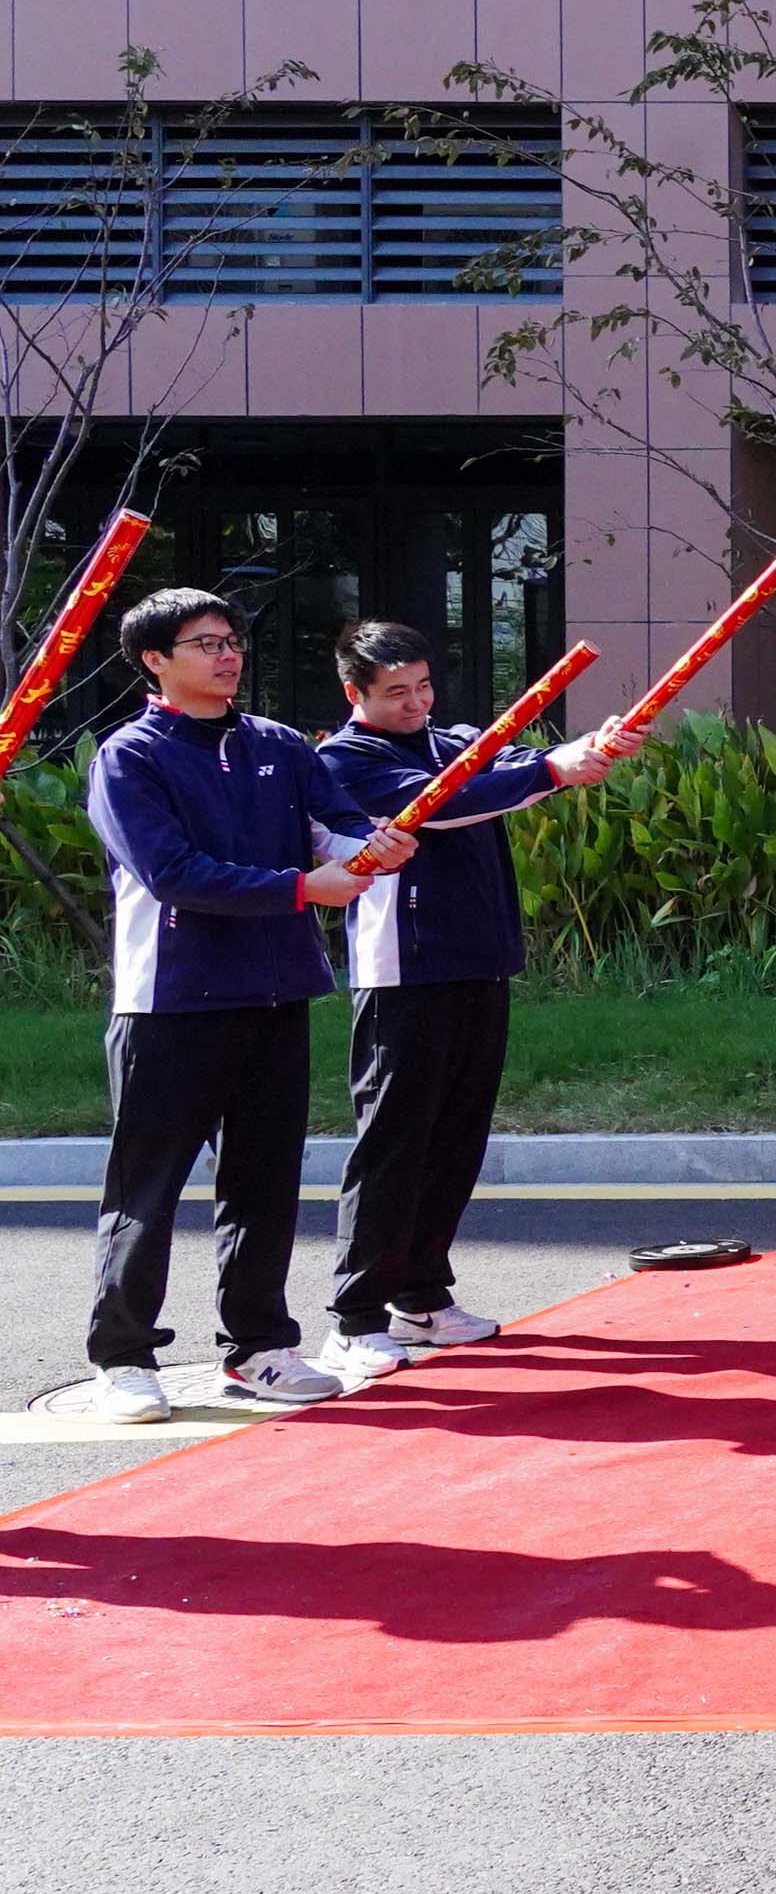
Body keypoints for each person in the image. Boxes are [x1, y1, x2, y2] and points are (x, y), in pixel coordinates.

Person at [76, 589, 416, 1422]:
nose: (227, 655)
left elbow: (337, 827)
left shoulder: (277, 744)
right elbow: (172, 874)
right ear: (155, 660)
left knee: (264, 1185)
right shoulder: (130, 756)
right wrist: (304, 887)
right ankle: (123, 1358)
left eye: (231, 640)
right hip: (170, 1003)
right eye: (205, 643)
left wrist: (374, 848)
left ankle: (260, 1347)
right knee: (146, 1189)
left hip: (276, 992)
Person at [314, 622, 639, 1370]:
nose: (416, 703)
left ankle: (421, 1297)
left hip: (480, 963)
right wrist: (554, 769)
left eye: (423, 686)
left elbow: (512, 769)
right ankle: (355, 1316)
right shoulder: (345, 760)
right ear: (355, 693)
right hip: (403, 973)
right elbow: (441, 803)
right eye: (396, 692)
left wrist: (593, 748)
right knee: (394, 1144)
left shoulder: (455, 739)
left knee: (456, 1139)